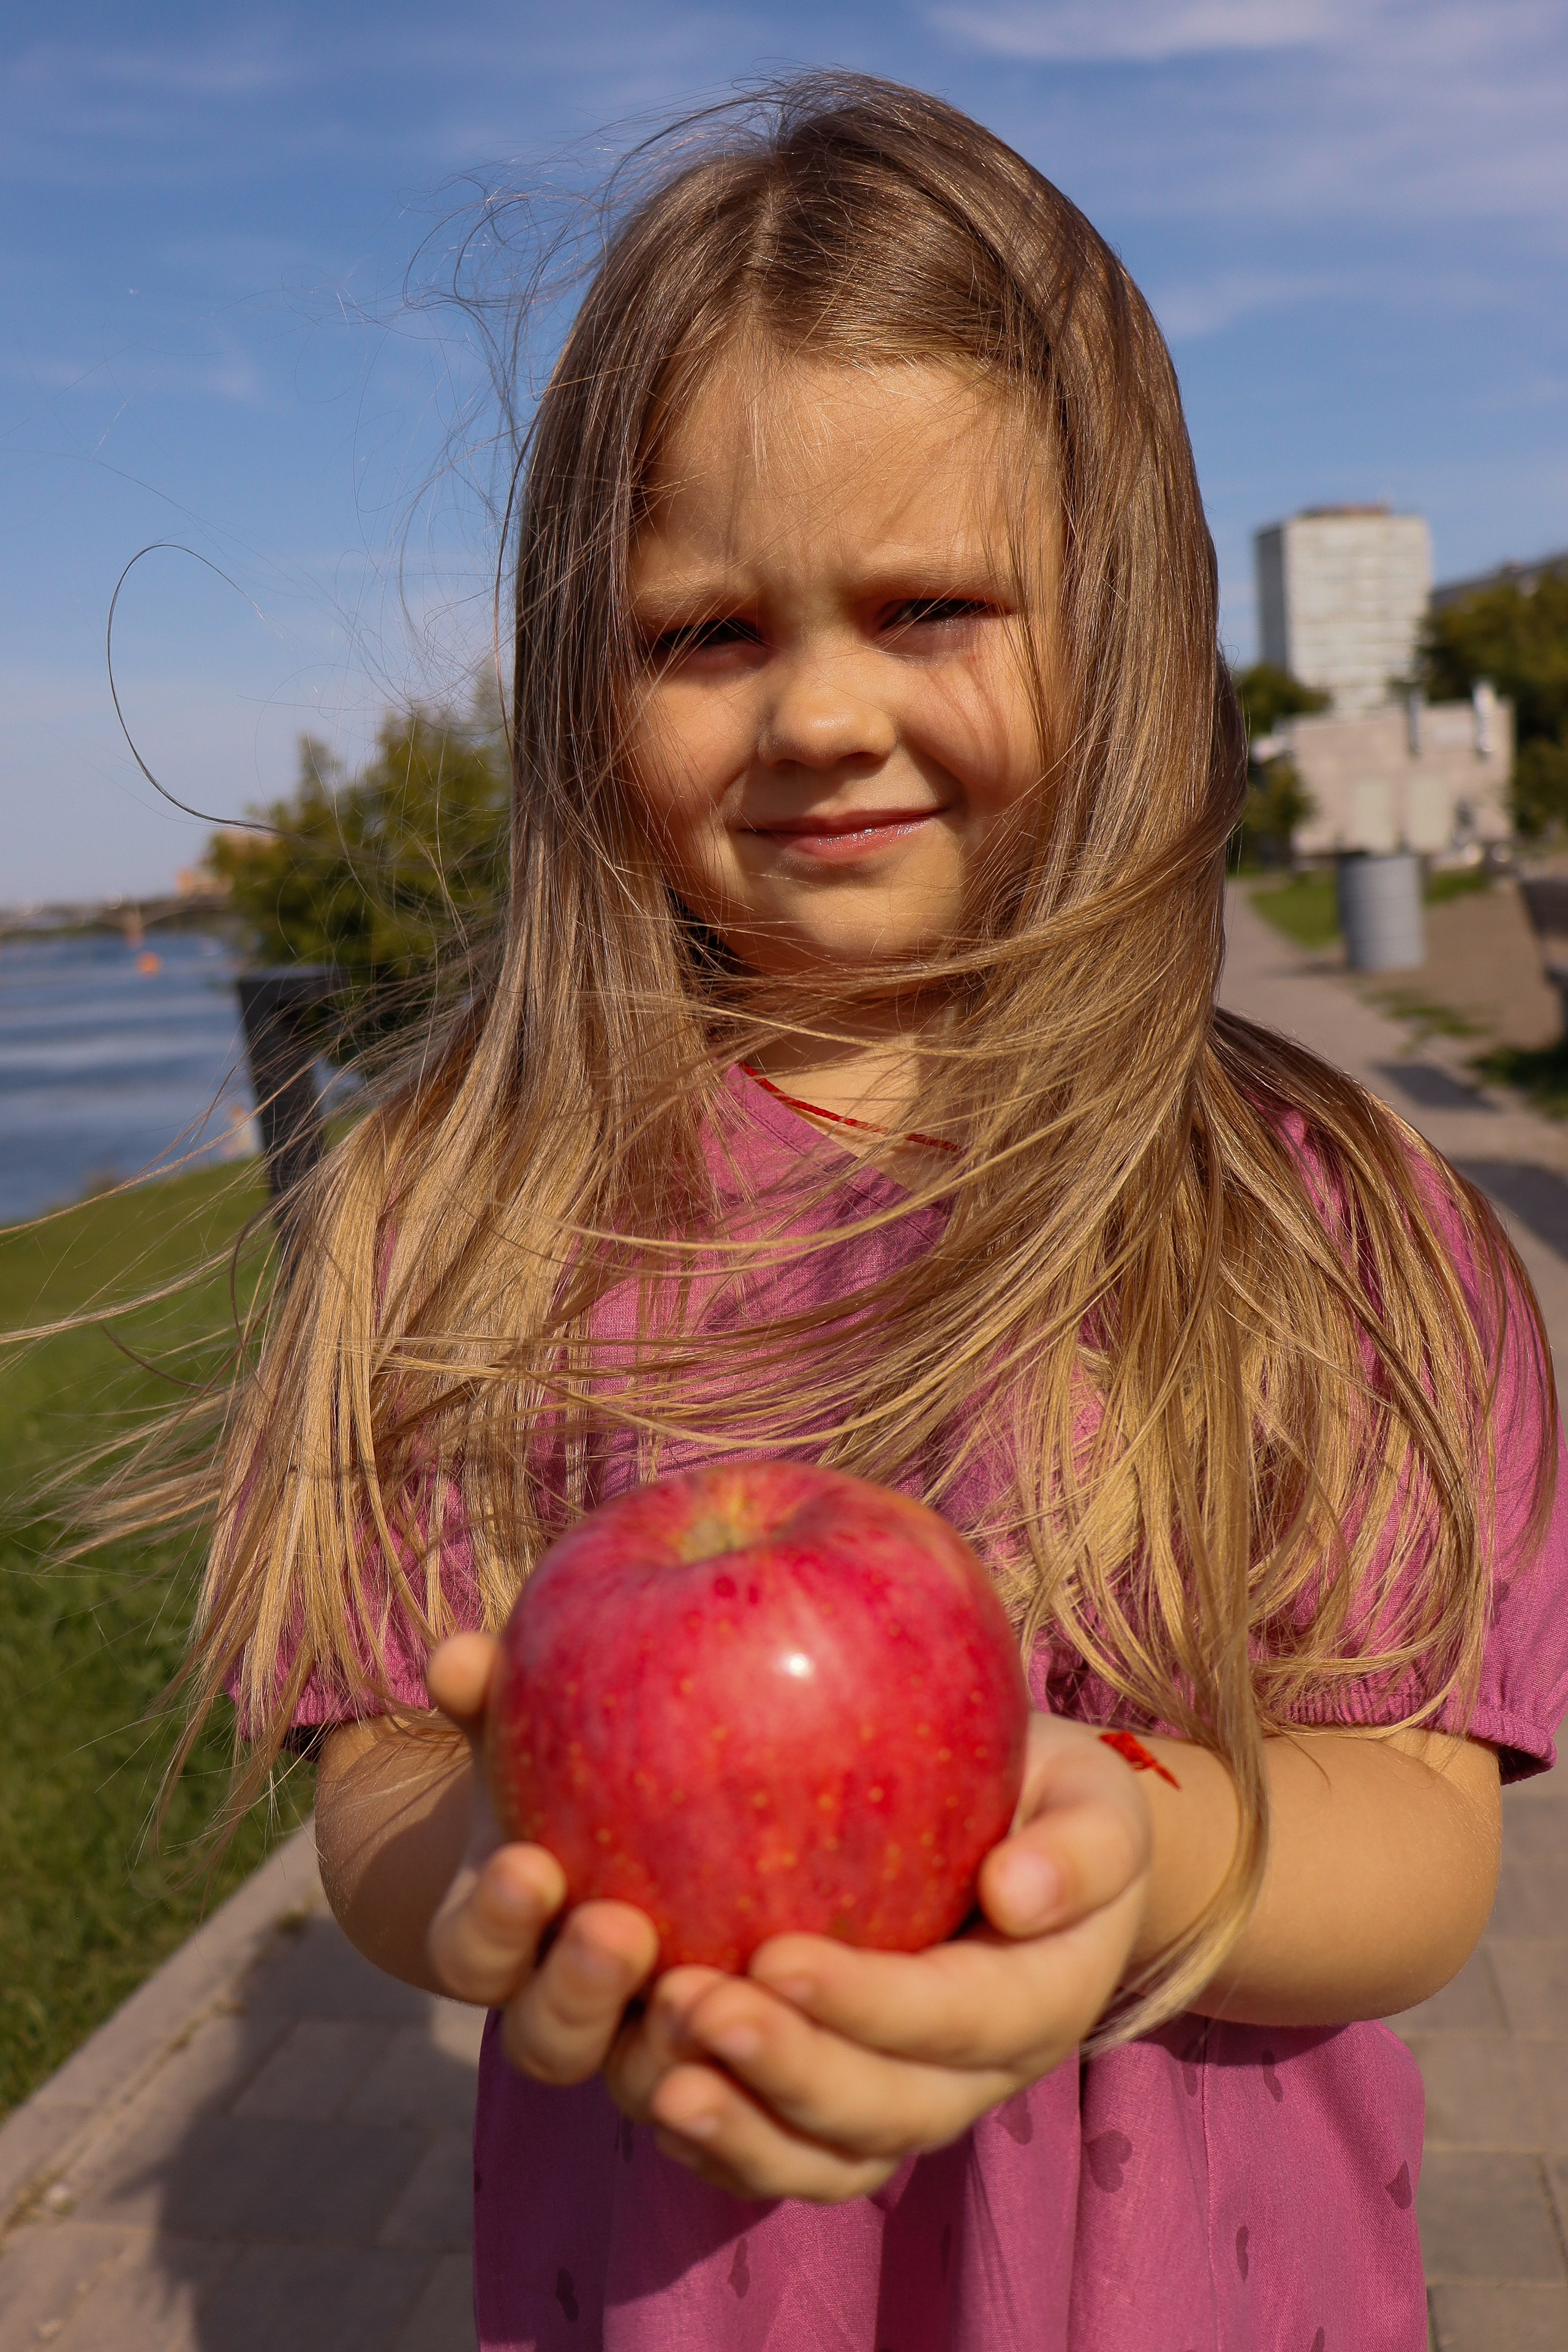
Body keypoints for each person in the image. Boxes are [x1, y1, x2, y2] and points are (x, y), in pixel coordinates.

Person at [198, 75, 1568, 2351]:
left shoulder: (1321, 1215)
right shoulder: (457, 1216)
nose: (822, 713)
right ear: (580, 678)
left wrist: (1132, 1851)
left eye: (930, 604)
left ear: (1125, 622)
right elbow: (382, 1788)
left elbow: (1428, 1839)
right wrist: (512, 1867)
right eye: (705, 633)